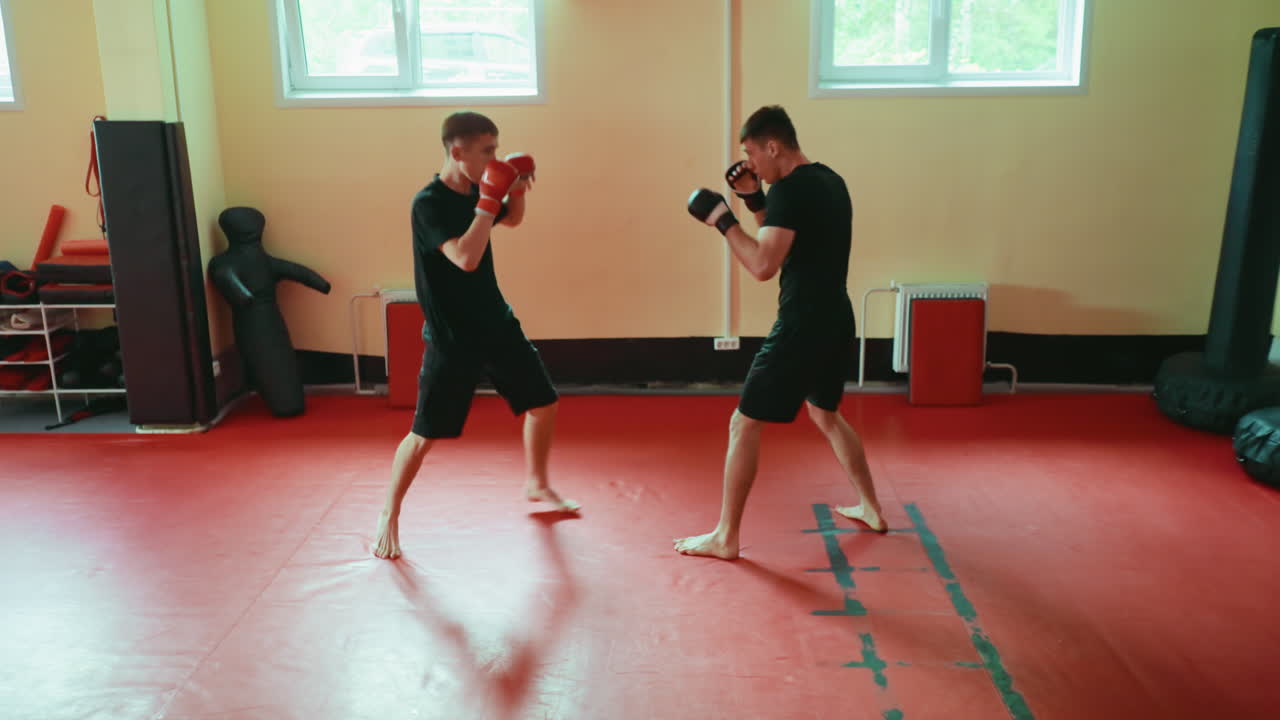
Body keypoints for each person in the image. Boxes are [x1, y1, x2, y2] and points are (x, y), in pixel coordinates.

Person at [677, 105, 886, 560]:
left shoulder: (791, 192)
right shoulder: (830, 180)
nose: (750, 163)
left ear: (773, 146)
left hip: (801, 324)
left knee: (743, 421)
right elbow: (785, 240)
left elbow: (762, 264)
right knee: (826, 414)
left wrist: (722, 219)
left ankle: (725, 536)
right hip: (836, 316)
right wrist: (754, 199)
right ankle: (870, 506)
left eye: (752, 153)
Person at [374, 111, 579, 560]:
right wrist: (487, 200)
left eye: (496, 149)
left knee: (543, 403)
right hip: (453, 336)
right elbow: (465, 258)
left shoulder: (476, 188)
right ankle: (388, 513)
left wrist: (517, 186)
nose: (494, 158)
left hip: (495, 321)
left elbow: (513, 220)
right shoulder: (427, 204)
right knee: (424, 434)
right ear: (457, 151)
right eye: (486, 151)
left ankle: (537, 482)